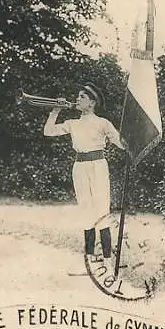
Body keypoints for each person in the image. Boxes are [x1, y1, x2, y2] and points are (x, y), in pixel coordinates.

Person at [44, 82, 124, 274]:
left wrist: (134, 136)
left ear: (92, 103)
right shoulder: (73, 123)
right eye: (78, 96)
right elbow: (48, 131)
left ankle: (107, 264)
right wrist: (54, 112)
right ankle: (89, 263)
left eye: (82, 97)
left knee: (102, 212)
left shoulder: (103, 123)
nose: (77, 99)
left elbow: (122, 143)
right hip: (79, 168)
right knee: (86, 213)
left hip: (98, 167)